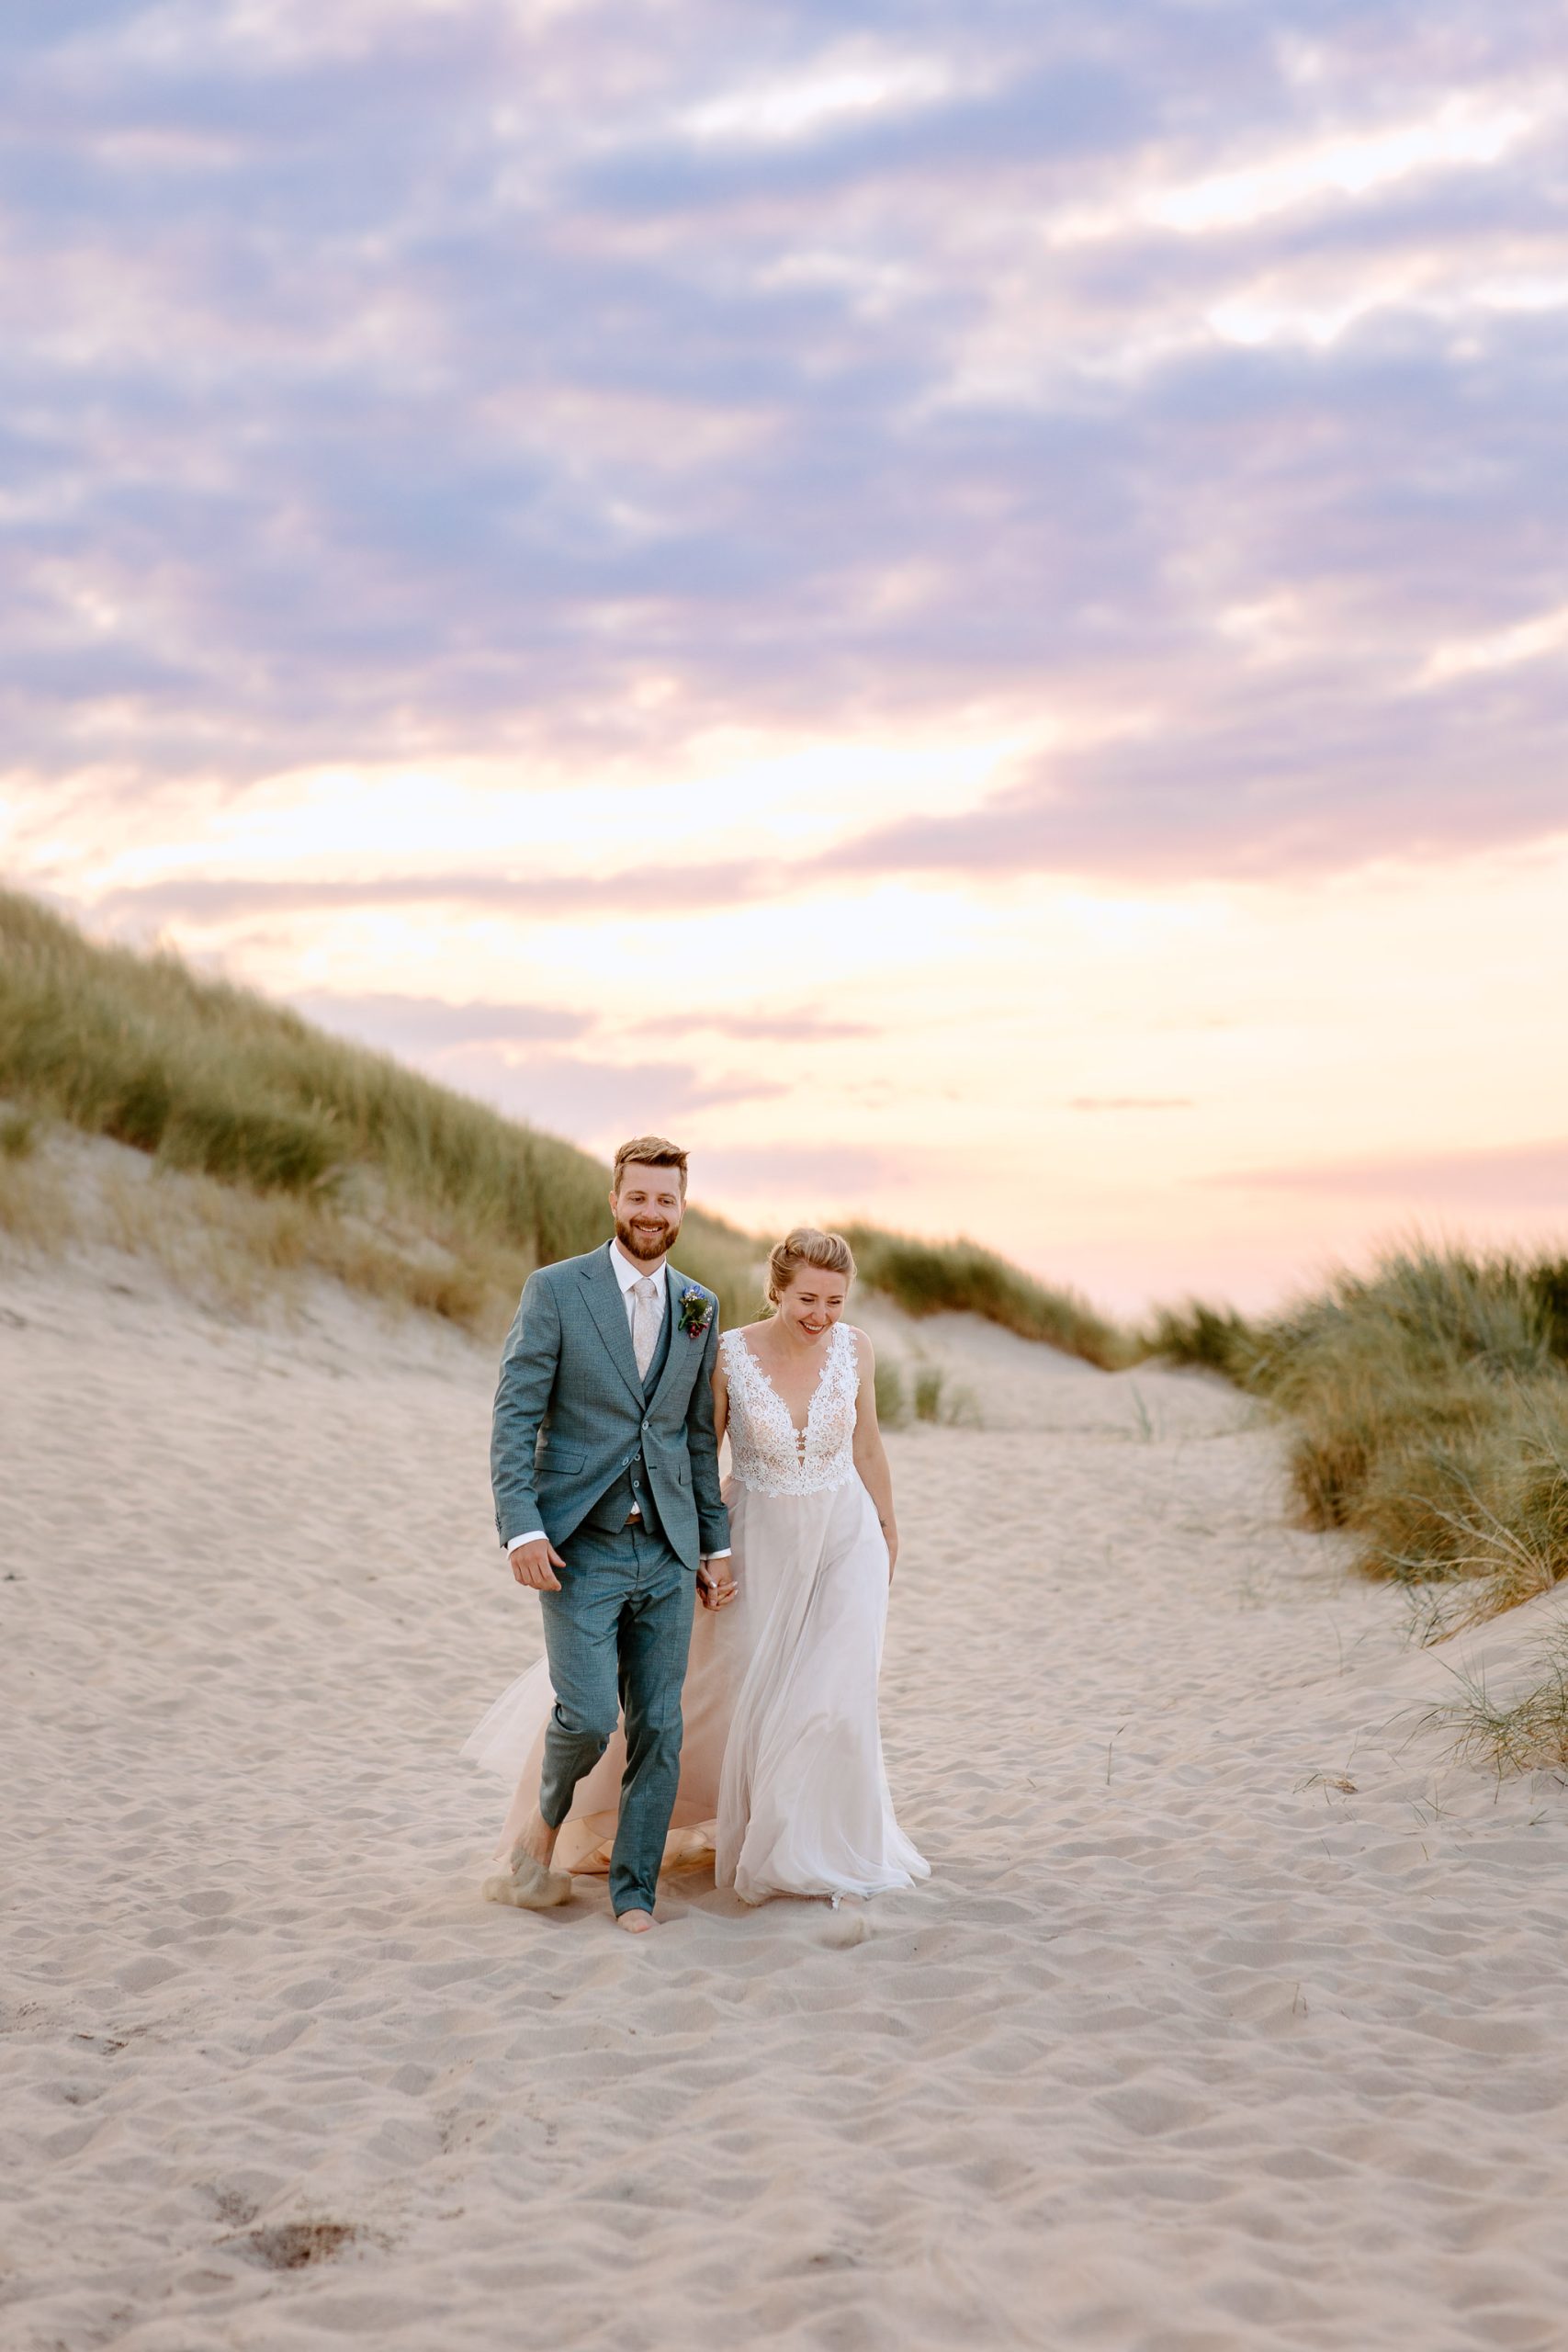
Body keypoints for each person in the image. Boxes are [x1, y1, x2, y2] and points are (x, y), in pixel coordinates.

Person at [466, 1223, 927, 1911]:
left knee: (830, 1700)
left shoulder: (854, 1349)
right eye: (806, 1299)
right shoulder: (727, 1352)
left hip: (845, 1536)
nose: (820, 1316)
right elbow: (695, 1458)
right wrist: (700, 1548)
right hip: (756, 1535)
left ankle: (808, 1848)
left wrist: (888, 1531)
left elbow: (867, 1448)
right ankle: (566, 1823)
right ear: (775, 1290)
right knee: (712, 1692)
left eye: (834, 1301)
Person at [477, 1136, 731, 1935]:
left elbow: (696, 1439)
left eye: (666, 1200)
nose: (651, 1213)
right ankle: (541, 1832)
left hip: (665, 1546)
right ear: (614, 1200)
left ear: (681, 1208)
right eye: (638, 1197)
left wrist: (712, 1545)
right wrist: (520, 1528)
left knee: (661, 1723)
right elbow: (516, 1416)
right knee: (587, 1715)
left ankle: (632, 1892)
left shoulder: (699, 1305)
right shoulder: (555, 1290)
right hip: (576, 1545)